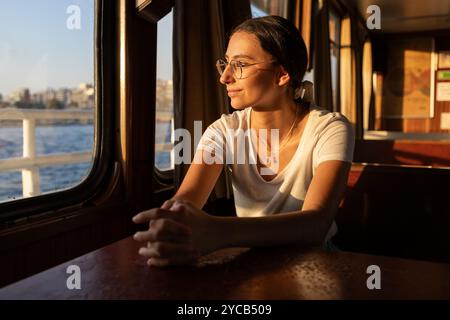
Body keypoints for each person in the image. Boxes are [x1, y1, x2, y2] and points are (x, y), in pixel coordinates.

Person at [132, 15, 355, 266]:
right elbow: (186, 200)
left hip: (316, 262)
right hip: (251, 261)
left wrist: (217, 233)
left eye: (240, 65)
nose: (224, 77)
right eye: (225, 64)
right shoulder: (224, 131)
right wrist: (171, 224)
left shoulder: (330, 128)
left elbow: (315, 225)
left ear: (281, 75)